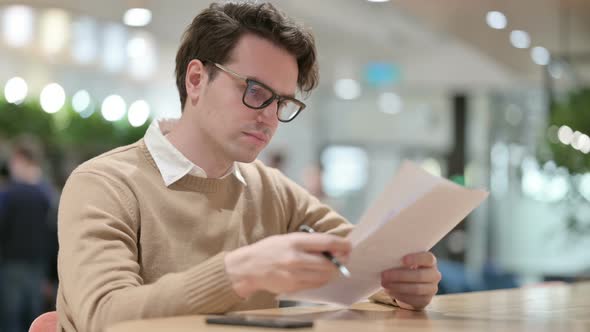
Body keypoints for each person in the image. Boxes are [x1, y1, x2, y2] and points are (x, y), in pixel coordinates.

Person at [56, 2, 441, 331]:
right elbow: (104, 317)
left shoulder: (270, 189)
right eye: (256, 92)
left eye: (282, 103)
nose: (270, 118)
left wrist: (401, 284)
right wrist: (240, 272)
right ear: (196, 80)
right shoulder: (105, 185)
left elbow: (362, 258)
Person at [0, 137, 56, 332]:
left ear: (20, 159)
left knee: (10, 319)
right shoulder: (49, 195)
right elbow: (54, 237)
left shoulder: (8, 194)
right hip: (39, 268)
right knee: (35, 320)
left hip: (11, 266)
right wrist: (52, 276)